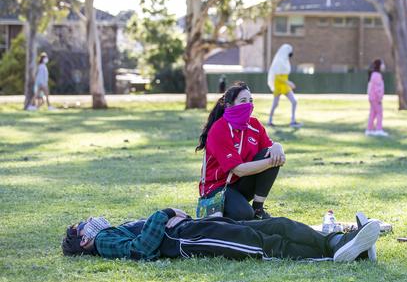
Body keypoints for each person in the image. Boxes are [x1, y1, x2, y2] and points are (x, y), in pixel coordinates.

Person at [61, 208, 381, 262]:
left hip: (194, 226)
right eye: (81, 227)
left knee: (276, 224)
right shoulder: (102, 242)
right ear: (84, 241)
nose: (87, 221)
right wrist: (166, 213)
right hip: (189, 241)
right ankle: (332, 254)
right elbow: (141, 251)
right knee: (263, 245)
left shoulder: (110, 231)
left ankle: (339, 242)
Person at [197, 82, 285, 220]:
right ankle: (225, 211)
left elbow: (269, 148)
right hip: (216, 188)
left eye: (251, 101)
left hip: (239, 184)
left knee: (270, 152)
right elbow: (238, 170)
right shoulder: (220, 129)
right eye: (243, 101)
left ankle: (258, 208)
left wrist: (278, 147)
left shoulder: (255, 124)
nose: (248, 105)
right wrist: (272, 162)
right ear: (228, 105)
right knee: (244, 215)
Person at [267, 43, 301, 128]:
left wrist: (287, 83)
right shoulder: (279, 61)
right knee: (275, 104)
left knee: (294, 101)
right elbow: (278, 77)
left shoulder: (286, 61)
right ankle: (270, 120)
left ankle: (293, 121)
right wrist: (289, 82)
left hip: (285, 85)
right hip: (279, 85)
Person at [366, 59, 387, 137]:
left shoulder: (373, 75)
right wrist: (379, 98)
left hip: (372, 98)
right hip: (376, 98)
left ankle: (369, 129)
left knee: (373, 114)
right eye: (382, 64)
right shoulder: (377, 75)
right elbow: (378, 89)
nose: (384, 66)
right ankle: (379, 129)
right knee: (379, 113)